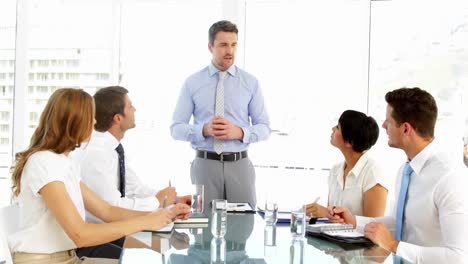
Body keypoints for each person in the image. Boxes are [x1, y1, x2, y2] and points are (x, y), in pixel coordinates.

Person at [8, 88, 190, 264]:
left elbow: (106, 211)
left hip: (68, 257)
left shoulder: (64, 162)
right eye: (89, 117)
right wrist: (146, 221)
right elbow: (80, 235)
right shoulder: (45, 162)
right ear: (74, 122)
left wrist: (161, 215)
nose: (94, 123)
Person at [329, 87, 468, 263]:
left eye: (388, 121)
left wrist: (393, 245)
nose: (383, 125)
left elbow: (459, 257)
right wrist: (355, 222)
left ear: (405, 129)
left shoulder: (449, 177)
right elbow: (402, 223)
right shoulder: (406, 170)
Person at [77, 86, 191, 259]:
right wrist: (157, 201)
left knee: (164, 245)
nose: (135, 109)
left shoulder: (113, 148)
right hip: (103, 237)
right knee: (157, 249)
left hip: (119, 232)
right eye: (130, 106)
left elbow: (133, 188)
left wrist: (170, 200)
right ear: (117, 118)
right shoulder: (96, 153)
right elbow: (113, 208)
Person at [170, 20, 270, 208]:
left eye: (234, 45)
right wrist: (204, 130)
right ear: (210, 47)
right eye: (223, 45)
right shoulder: (192, 83)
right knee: (205, 227)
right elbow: (176, 128)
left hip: (239, 165)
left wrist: (240, 132)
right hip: (205, 165)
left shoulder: (251, 83)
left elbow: (265, 127)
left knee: (242, 227)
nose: (229, 51)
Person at [306, 110, 388, 218]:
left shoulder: (372, 171)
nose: (333, 129)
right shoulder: (335, 170)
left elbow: (374, 225)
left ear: (350, 142)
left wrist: (327, 213)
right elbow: (333, 222)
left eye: (338, 127)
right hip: (333, 235)